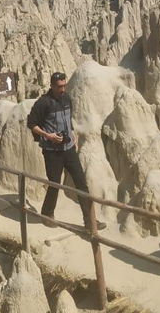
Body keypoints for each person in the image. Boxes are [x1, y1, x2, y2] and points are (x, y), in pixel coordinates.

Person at [27, 72, 106, 231]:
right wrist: (48, 135)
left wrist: (73, 135)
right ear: (52, 86)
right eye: (59, 86)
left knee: (81, 184)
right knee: (54, 183)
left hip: (69, 149)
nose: (62, 89)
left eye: (64, 85)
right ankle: (47, 213)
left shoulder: (67, 99)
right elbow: (31, 123)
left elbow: (68, 120)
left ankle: (90, 221)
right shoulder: (43, 103)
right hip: (52, 151)